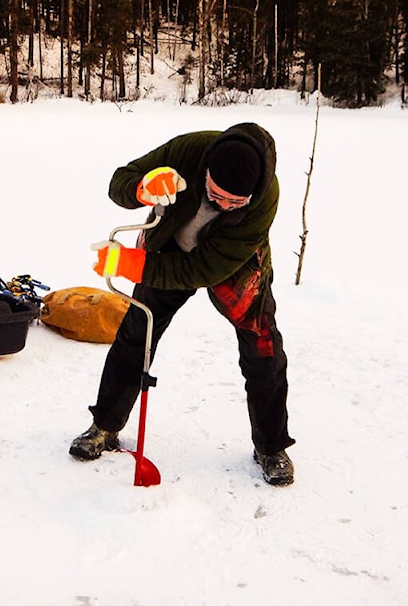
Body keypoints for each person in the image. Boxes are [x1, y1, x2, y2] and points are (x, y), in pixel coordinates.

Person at [69, 122, 296, 486]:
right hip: (171, 244)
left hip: (232, 264)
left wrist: (135, 265)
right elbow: (120, 181)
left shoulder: (266, 197)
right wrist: (142, 188)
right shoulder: (190, 150)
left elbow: (205, 268)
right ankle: (105, 426)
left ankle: (271, 446)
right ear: (205, 171)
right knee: (136, 334)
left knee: (263, 349)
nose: (221, 205)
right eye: (215, 194)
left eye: (233, 203)